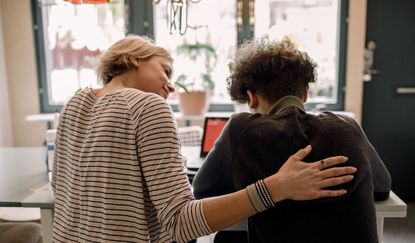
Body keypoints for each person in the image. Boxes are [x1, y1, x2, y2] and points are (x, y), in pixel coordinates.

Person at [51, 35, 357, 243]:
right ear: (133, 59)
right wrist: (277, 187)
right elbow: (180, 223)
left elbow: (63, 189)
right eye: (165, 70)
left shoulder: (73, 103)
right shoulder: (147, 105)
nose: (170, 86)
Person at [192, 36, 392, 243]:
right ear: (305, 94)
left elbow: (202, 191)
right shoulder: (346, 126)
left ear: (251, 98)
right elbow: (382, 188)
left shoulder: (242, 130)